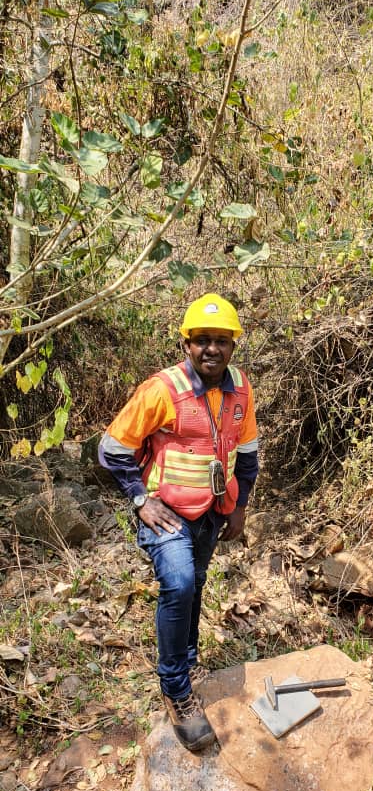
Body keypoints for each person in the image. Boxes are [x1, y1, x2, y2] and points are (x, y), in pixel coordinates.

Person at [98, 293, 259, 752]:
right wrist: (140, 500)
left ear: (233, 346)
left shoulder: (241, 389)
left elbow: (247, 453)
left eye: (221, 340)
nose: (212, 349)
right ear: (187, 344)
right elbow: (112, 448)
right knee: (181, 582)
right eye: (202, 339)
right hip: (167, 513)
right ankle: (176, 689)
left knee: (197, 581)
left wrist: (240, 506)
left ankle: (187, 661)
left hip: (212, 510)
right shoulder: (163, 390)